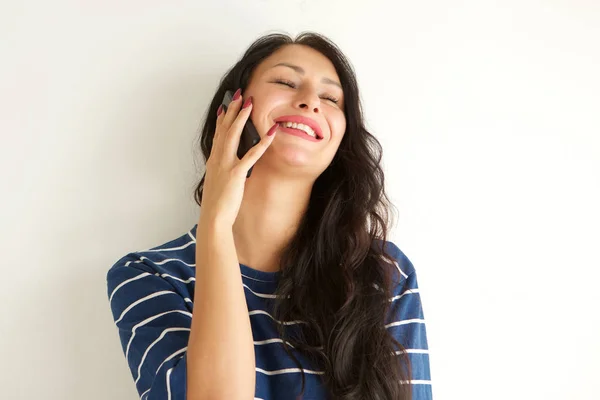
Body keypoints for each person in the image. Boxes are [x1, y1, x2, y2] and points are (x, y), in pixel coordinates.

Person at [106, 31, 432, 400]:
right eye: (285, 82)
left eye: (330, 98)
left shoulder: (384, 274)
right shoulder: (149, 277)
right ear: (232, 108)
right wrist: (216, 224)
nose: (311, 102)